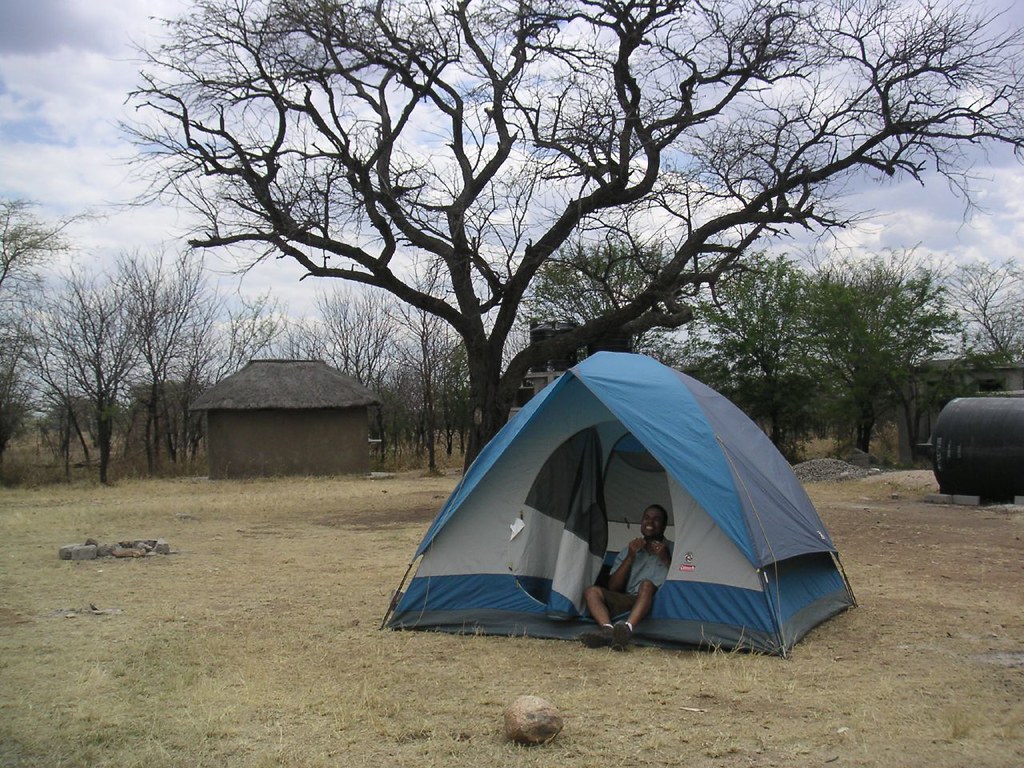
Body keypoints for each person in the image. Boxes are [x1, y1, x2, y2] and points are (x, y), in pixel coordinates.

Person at [580, 503, 672, 650]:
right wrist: (630, 557)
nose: (650, 522)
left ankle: (627, 629)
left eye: (656, 519)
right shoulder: (631, 549)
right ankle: (609, 632)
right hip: (631, 599)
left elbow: (684, 579)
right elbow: (613, 587)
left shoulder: (672, 549)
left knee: (646, 585)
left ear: (664, 525)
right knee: (591, 592)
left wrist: (666, 558)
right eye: (646, 518)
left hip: (658, 601)